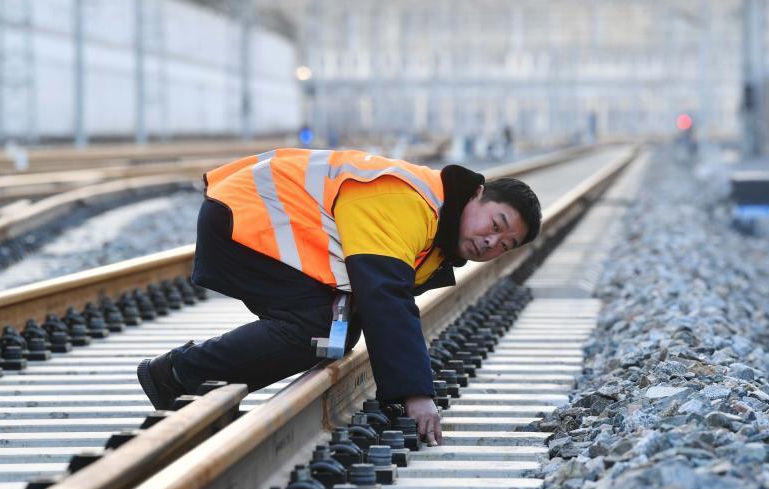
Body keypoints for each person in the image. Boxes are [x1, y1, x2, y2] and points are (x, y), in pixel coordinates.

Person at [137, 148, 541, 446]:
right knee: (318, 329)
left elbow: (379, 297)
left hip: (266, 223)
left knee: (333, 333)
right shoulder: (409, 203)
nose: (491, 242)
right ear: (477, 195)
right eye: (496, 224)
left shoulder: (436, 225)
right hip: (246, 220)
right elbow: (385, 294)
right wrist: (417, 394)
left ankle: (200, 381)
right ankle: (177, 374)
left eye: (505, 245)